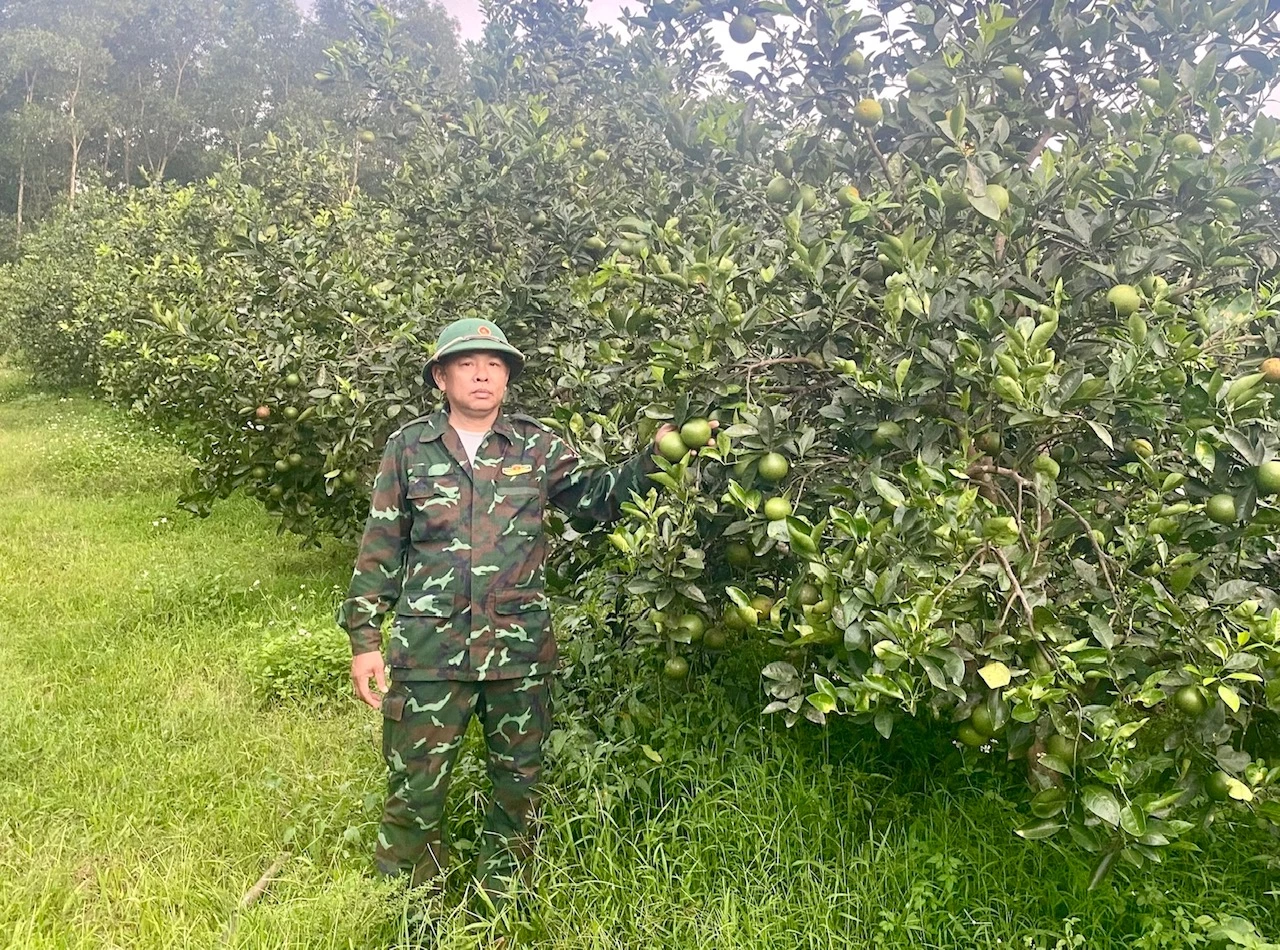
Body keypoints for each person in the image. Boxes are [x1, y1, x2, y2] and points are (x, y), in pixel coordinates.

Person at [336, 316, 713, 902]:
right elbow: (381, 546)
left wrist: (659, 456)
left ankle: (504, 900)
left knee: (518, 785)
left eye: (494, 364)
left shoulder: (537, 446)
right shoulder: (408, 447)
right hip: (430, 652)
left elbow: (595, 501)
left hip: (518, 650)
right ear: (441, 377)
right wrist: (365, 640)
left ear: (507, 378)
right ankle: (411, 907)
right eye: (467, 364)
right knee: (414, 790)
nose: (481, 374)